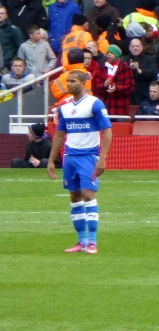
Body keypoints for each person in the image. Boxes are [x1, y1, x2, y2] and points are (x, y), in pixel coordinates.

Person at [47, 70, 113, 255]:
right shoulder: (64, 106)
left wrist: (102, 158)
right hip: (70, 157)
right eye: (67, 81)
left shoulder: (95, 104)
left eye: (72, 81)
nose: (68, 84)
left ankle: (92, 242)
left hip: (88, 156)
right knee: (74, 197)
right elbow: (60, 134)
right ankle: (81, 241)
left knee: (88, 194)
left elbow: (107, 131)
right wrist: (52, 160)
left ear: (83, 83)